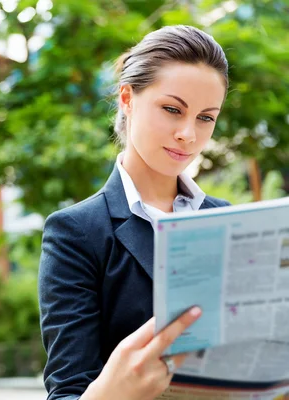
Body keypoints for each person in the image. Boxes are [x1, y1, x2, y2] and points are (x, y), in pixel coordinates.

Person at [38, 25, 231, 400]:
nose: (188, 134)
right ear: (127, 99)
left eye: (206, 117)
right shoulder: (76, 232)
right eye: (172, 109)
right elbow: (68, 391)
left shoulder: (226, 220)